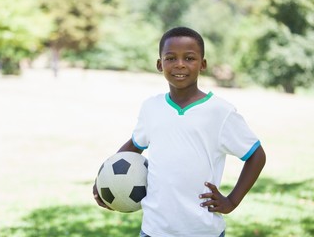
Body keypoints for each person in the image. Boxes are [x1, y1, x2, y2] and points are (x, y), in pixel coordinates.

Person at [93, 26, 266, 237]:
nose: (180, 64)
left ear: (202, 64)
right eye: (171, 58)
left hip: (203, 230)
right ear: (160, 64)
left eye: (190, 58)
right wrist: (105, 181)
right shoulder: (151, 107)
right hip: (154, 230)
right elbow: (133, 146)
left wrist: (232, 200)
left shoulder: (220, 112)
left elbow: (256, 155)